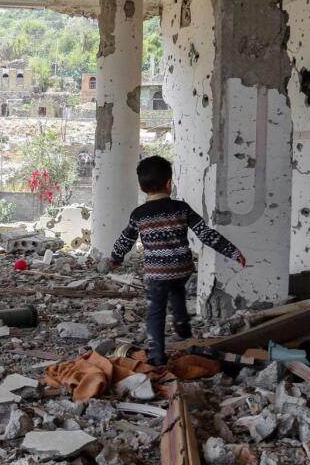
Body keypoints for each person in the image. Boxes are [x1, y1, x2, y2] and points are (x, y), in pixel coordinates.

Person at [103, 156, 246, 365]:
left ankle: (157, 356)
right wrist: (232, 252)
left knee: (155, 312)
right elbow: (206, 234)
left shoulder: (139, 214)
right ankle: (183, 330)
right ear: (169, 183)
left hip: (156, 274)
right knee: (177, 292)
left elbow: (125, 240)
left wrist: (115, 258)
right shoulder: (182, 208)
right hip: (181, 269)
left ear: (142, 187)